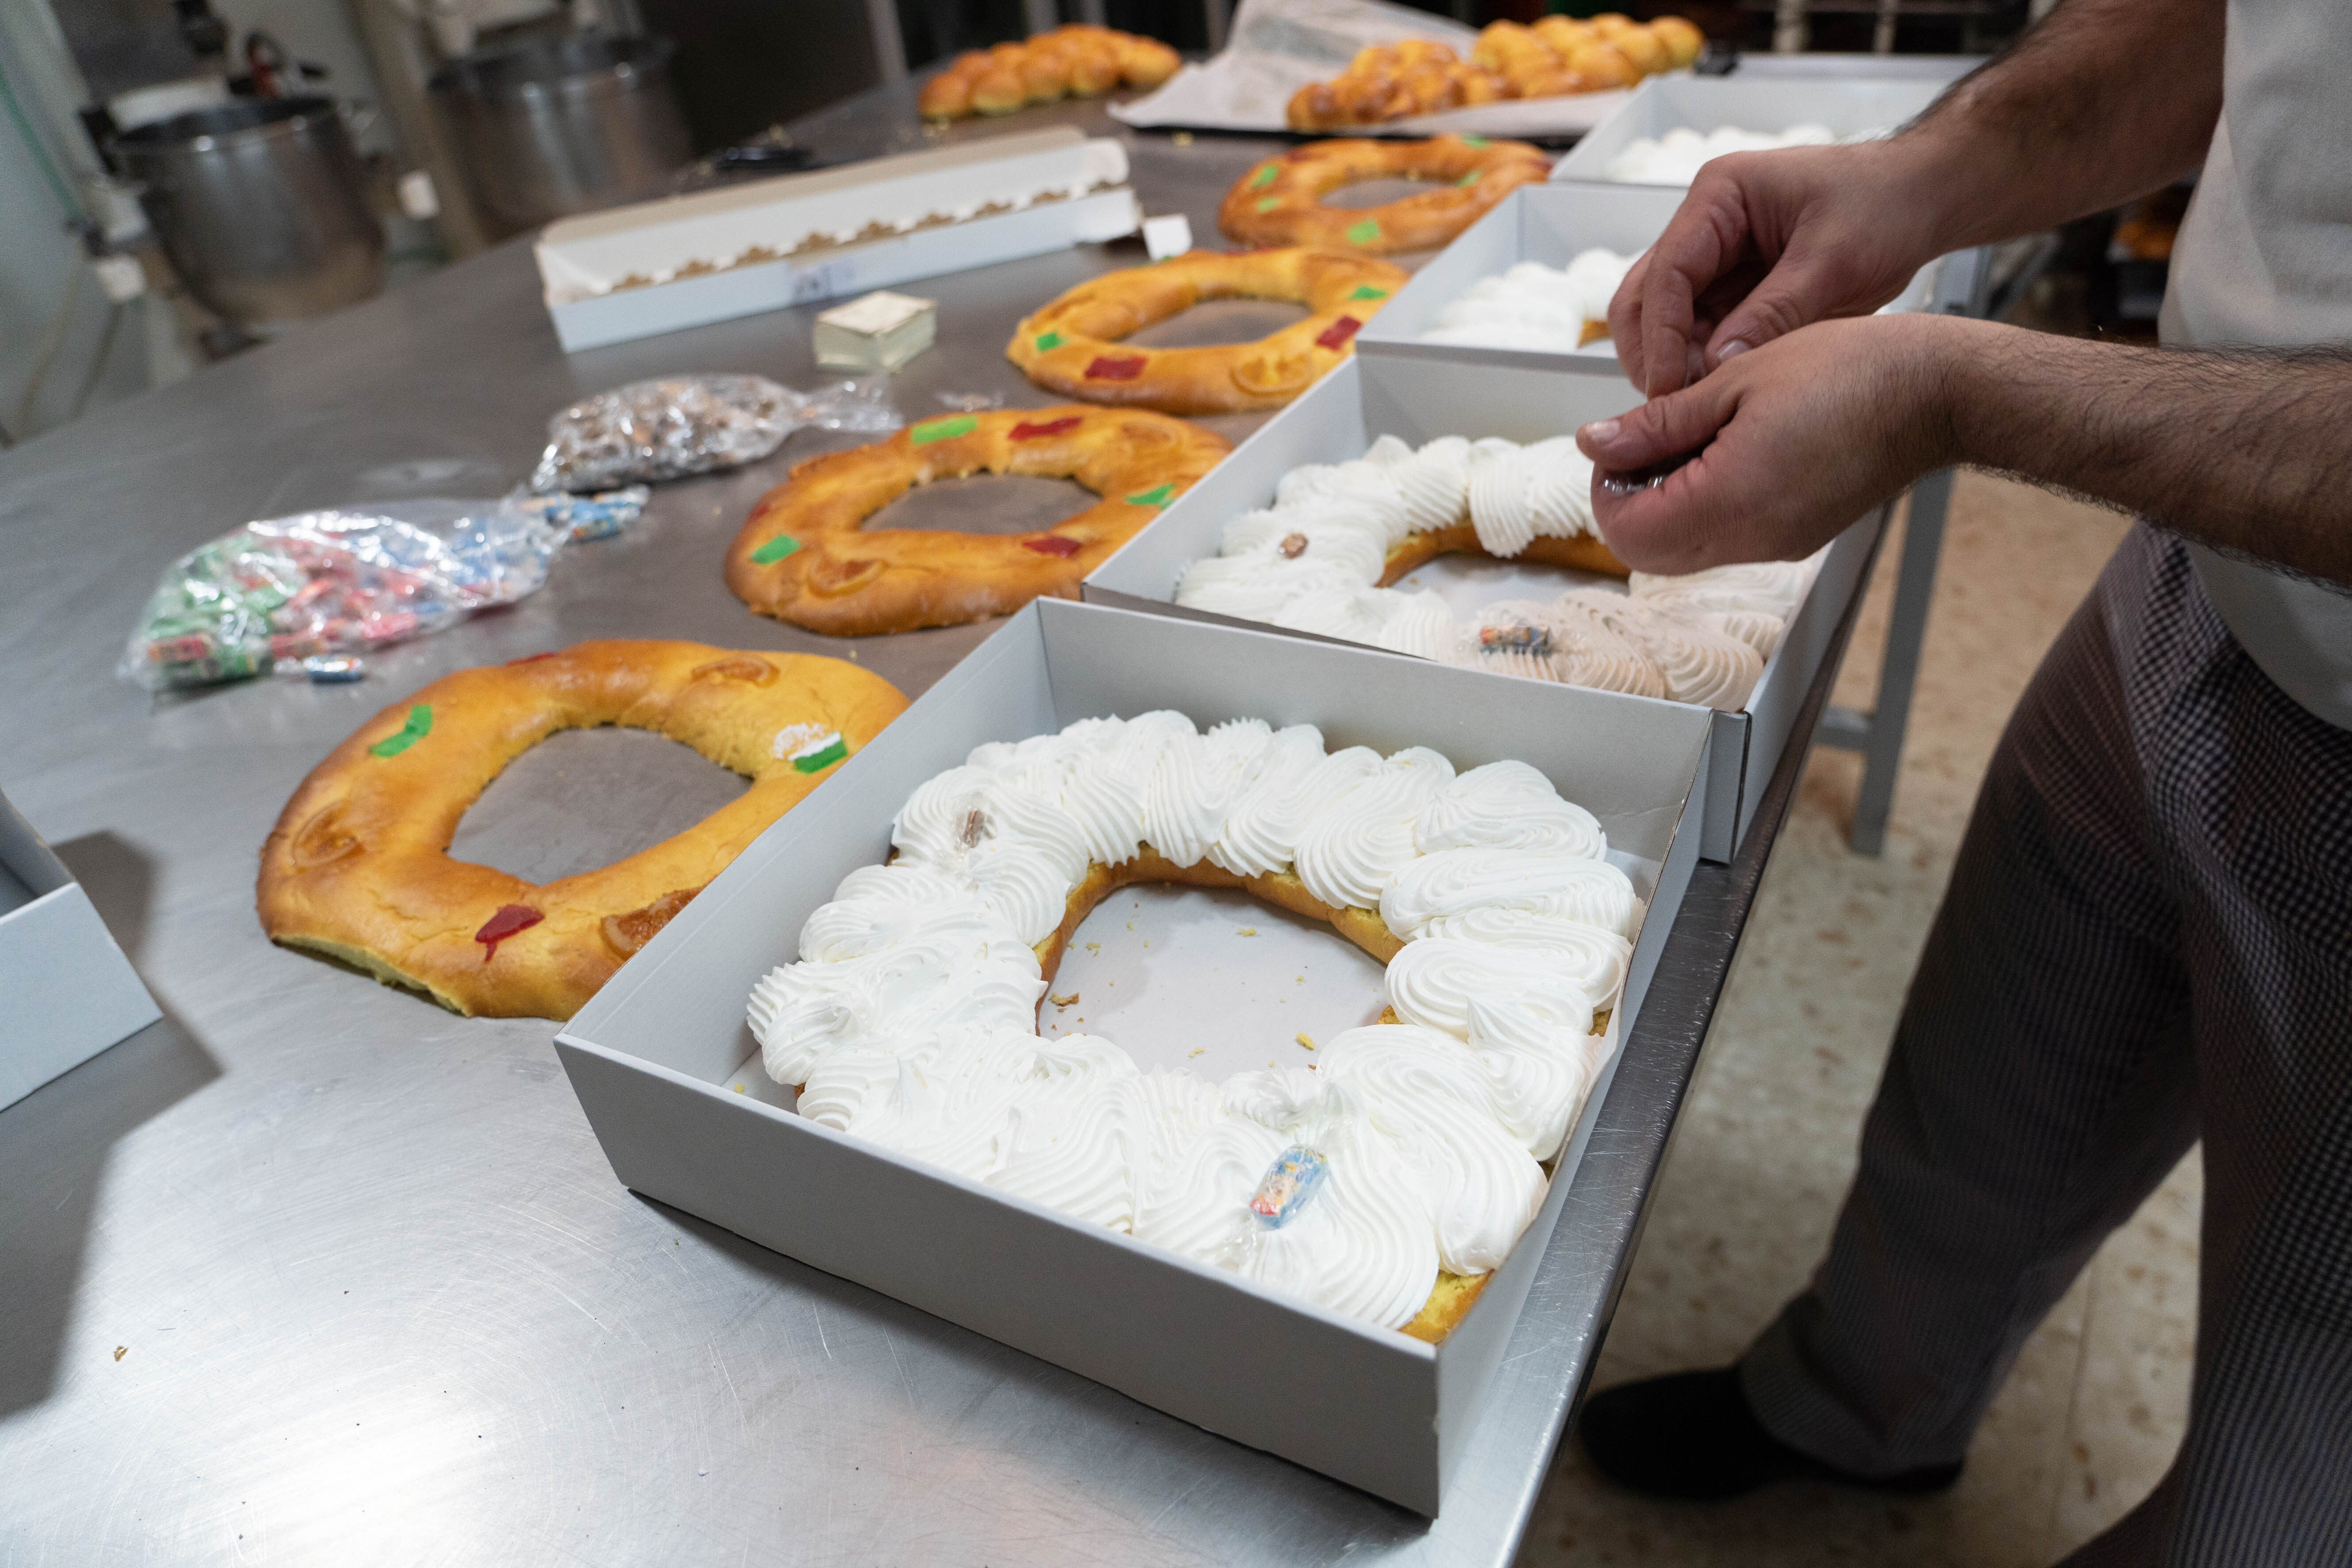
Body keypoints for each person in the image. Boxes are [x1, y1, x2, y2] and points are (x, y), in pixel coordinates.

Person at [1566, 0, 2352, 1559]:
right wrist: (1920, 178)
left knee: (2287, 1464)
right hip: (2209, 551)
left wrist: (1958, 392)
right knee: (1994, 1079)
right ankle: (1859, 1413)